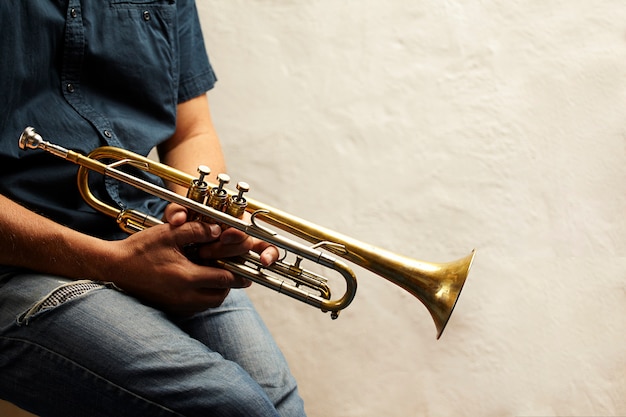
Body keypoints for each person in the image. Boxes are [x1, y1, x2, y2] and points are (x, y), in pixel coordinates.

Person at [0, 2, 307, 416]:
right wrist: (113, 263)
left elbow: (191, 129)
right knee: (233, 407)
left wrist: (205, 217)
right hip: (17, 264)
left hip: (145, 231)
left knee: (280, 404)